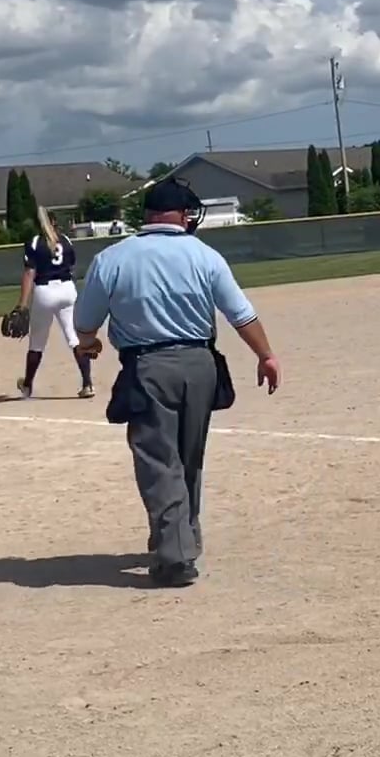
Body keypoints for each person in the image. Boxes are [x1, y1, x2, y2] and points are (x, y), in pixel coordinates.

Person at [72, 177, 281, 588]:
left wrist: (89, 343)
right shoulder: (204, 255)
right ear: (182, 215)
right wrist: (266, 355)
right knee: (189, 456)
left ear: (148, 215)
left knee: (158, 459)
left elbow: (85, 323)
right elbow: (241, 314)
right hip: (201, 363)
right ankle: (185, 538)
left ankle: (174, 556)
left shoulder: (113, 258)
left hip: (147, 366)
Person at [13, 206, 95, 400]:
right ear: (55, 222)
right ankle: (87, 384)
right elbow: (72, 268)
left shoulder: (35, 242)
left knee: (37, 342)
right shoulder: (65, 240)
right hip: (67, 289)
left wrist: (22, 304)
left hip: (45, 292)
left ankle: (27, 386)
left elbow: (29, 273)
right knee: (74, 338)